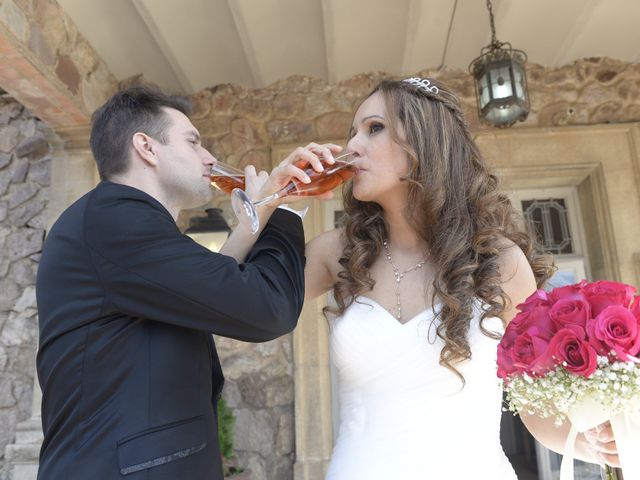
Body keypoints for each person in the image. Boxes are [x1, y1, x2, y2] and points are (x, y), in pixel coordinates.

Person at [302, 78, 620, 478]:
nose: (351, 147)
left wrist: (589, 438)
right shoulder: (336, 252)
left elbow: (536, 409)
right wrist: (273, 201)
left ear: (425, 141)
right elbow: (227, 303)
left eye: (374, 128)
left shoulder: (500, 261)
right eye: (353, 132)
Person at [35, 85, 334, 479]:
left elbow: (207, 290)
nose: (209, 157)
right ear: (146, 147)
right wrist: (284, 207)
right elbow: (267, 308)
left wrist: (262, 211)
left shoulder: (116, 222)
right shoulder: (117, 223)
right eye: (193, 142)